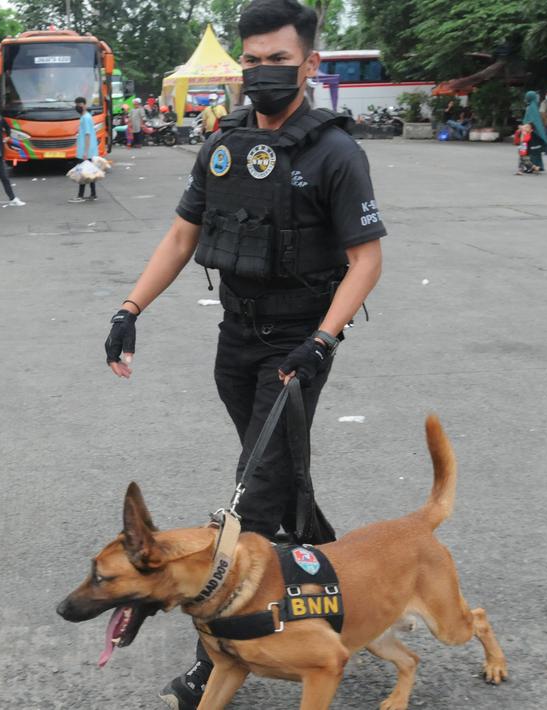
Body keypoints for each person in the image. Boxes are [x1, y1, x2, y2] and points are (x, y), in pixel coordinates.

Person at [102, 1, 385, 706]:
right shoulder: (220, 145)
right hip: (234, 338)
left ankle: (218, 656)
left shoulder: (335, 152)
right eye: (251, 61)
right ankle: (325, 568)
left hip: (295, 345)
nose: (262, 73)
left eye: (277, 61)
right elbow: (179, 239)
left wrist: (322, 339)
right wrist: (128, 309)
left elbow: (366, 259)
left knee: (252, 494)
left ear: (308, 64)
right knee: (276, 471)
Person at [69, 96, 99, 203]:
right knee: (89, 173)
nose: (78, 107)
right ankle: (93, 194)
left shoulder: (86, 118)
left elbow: (87, 134)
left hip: (85, 152)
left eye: (80, 105)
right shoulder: (86, 117)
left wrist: (85, 152)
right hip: (87, 151)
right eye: (76, 105)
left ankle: (80, 196)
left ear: (85, 105)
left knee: (82, 173)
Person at [522, 90, 547, 173]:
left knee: (531, 150)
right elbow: (534, 121)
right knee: (535, 150)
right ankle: (536, 165)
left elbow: (528, 120)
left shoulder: (530, 107)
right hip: (534, 132)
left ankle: (531, 166)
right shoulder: (533, 107)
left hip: (531, 132)